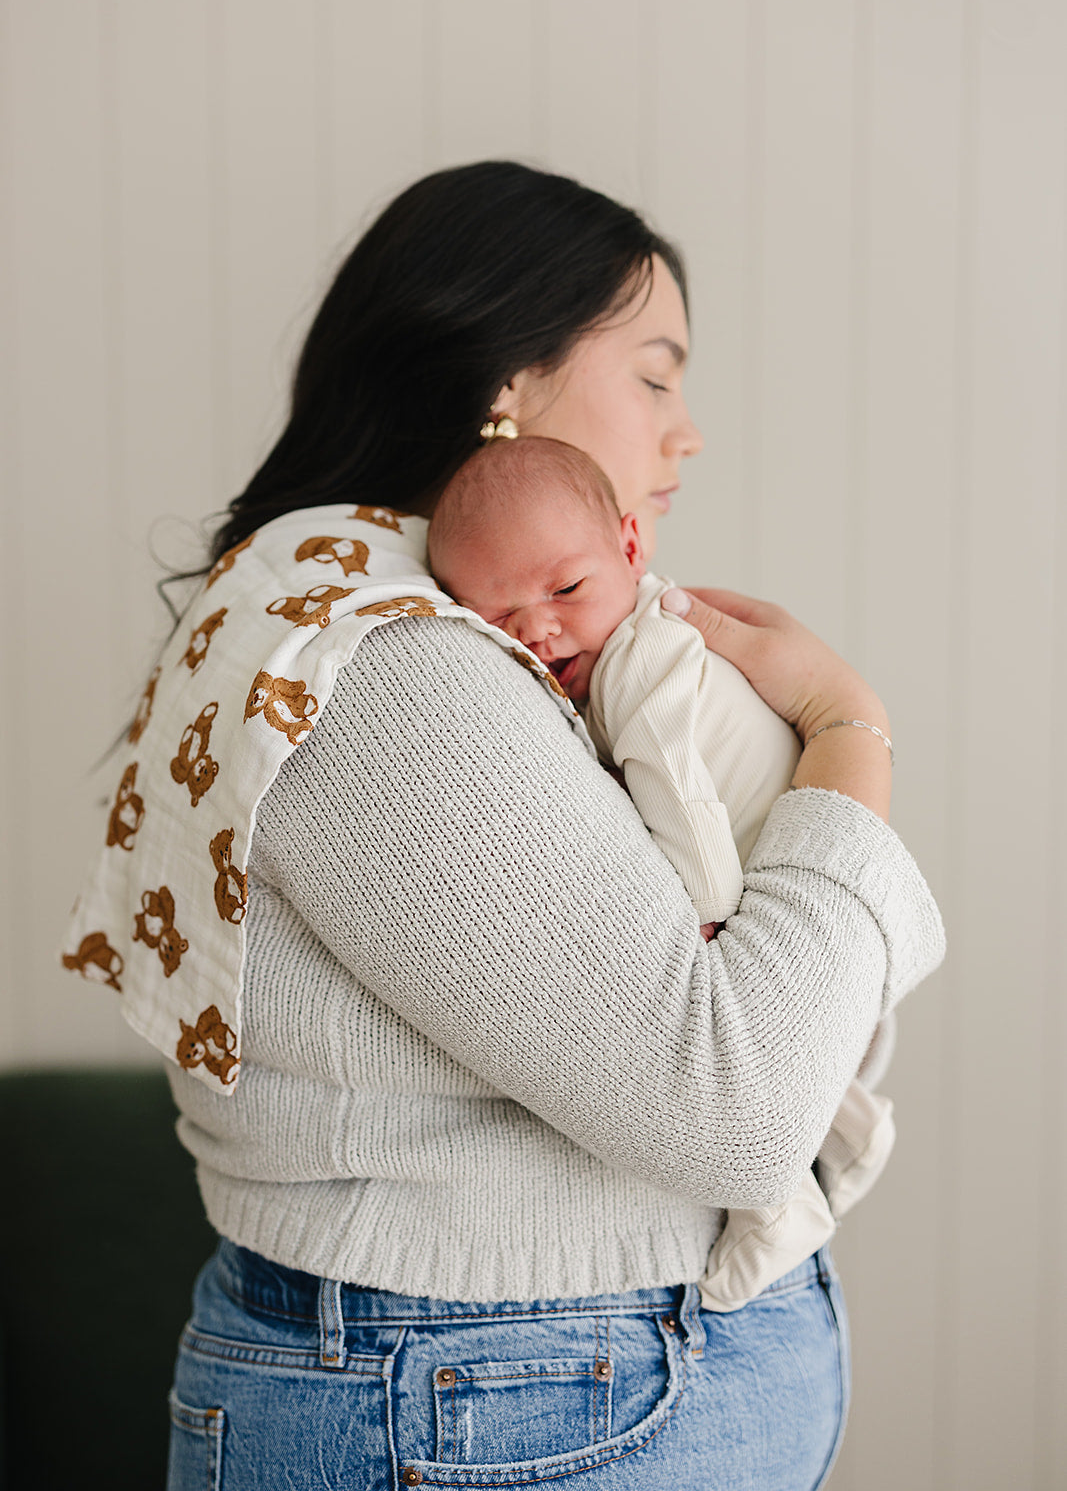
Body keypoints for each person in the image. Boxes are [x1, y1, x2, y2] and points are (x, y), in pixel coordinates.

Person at [61, 160, 944, 1490]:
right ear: (510, 383)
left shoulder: (335, 601)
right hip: (504, 1394)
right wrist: (845, 727)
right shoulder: (388, 662)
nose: (685, 434)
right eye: (655, 376)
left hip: (502, 1387)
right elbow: (741, 1111)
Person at [427, 434, 898, 1314]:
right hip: (803, 864)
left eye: (565, 589)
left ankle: (781, 1214)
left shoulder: (642, 663)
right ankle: (853, 1131)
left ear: (632, 546)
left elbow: (685, 800)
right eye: (496, 616)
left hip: (754, 871)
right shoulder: (616, 650)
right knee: (806, 1068)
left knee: (753, 1071)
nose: (537, 628)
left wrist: (704, 920)